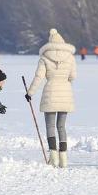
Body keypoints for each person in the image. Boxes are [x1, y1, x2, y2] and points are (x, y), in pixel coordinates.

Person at [25, 29, 77, 168]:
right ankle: (64, 159)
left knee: (50, 126)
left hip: (50, 93)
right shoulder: (70, 57)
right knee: (61, 126)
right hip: (65, 93)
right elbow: (73, 76)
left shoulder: (45, 57)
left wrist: (30, 92)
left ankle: (53, 158)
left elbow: (39, 77)